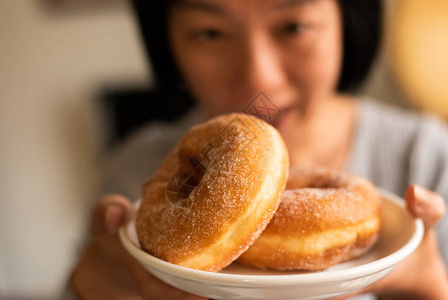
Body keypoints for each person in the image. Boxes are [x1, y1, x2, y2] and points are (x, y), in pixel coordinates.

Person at [68, 0, 448, 299]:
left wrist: (428, 284)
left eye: (294, 26)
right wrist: (102, 285)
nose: (258, 78)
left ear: (347, 21)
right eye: (210, 32)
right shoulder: (135, 173)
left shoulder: (428, 157)